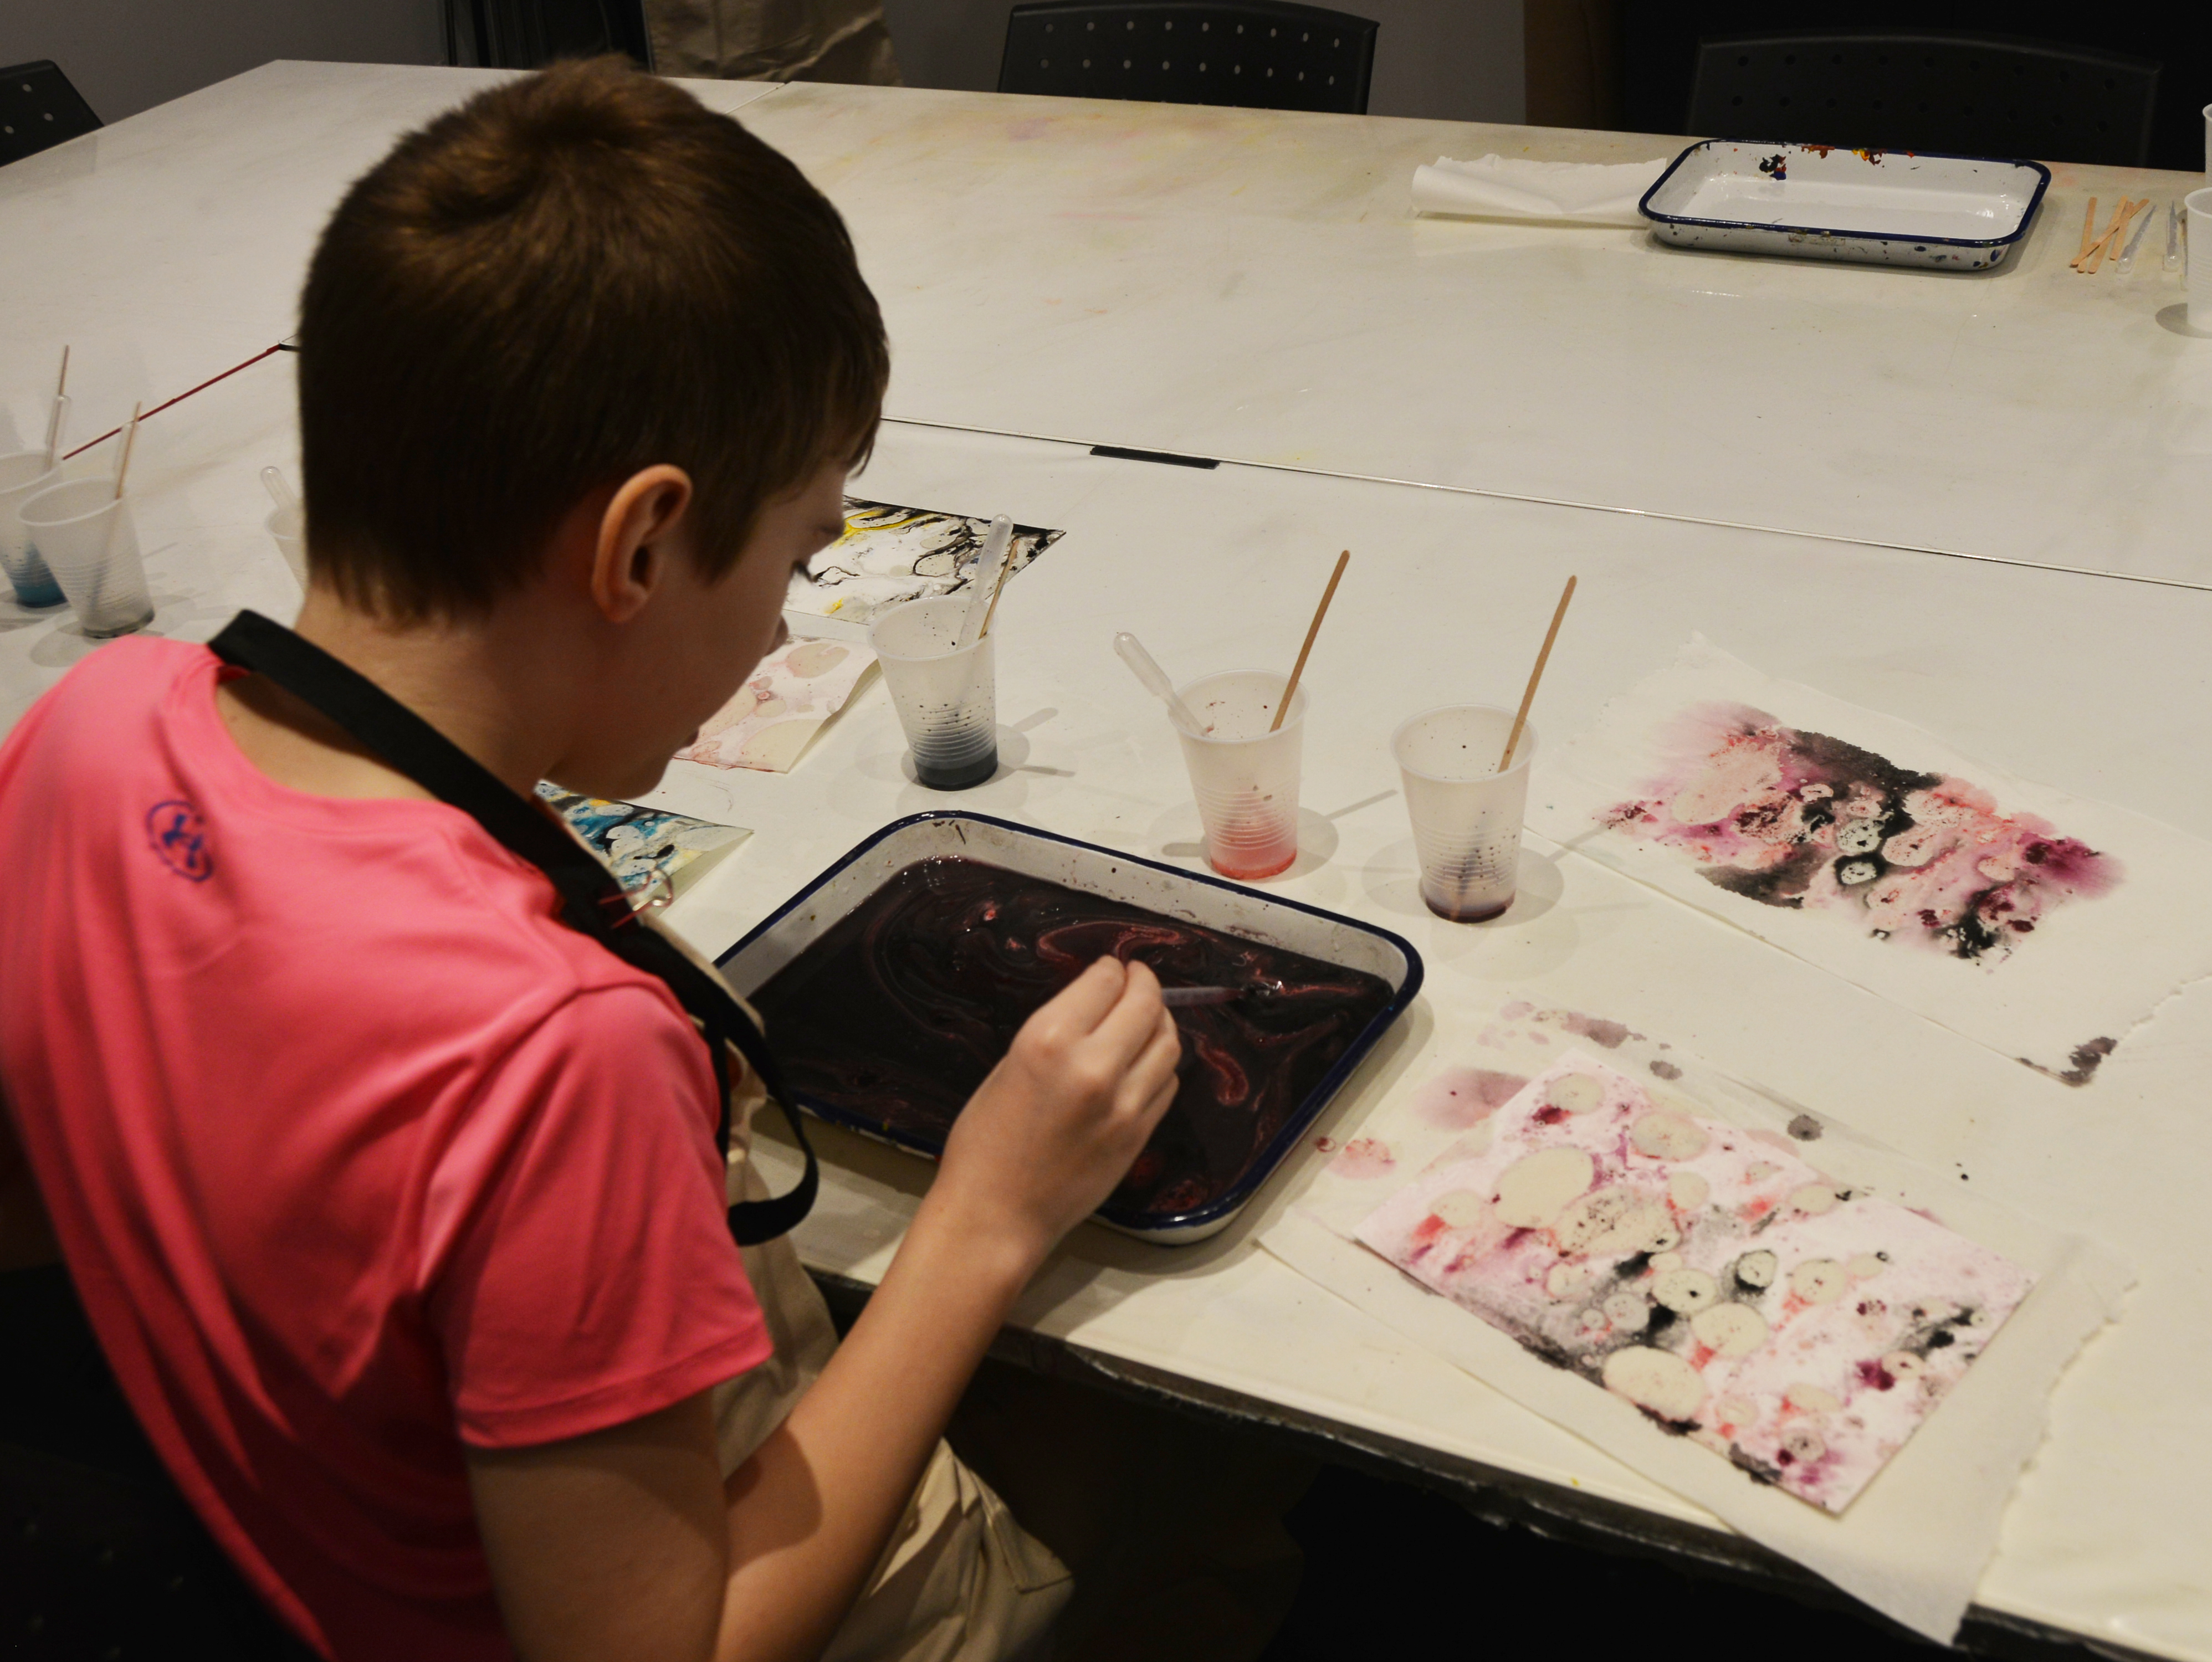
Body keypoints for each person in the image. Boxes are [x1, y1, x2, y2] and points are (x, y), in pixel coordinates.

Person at [0, 59, 1182, 1662]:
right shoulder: (552, 1055)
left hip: (282, 1575)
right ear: (636, 547)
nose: (781, 619)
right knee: (1220, 1458)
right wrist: (989, 1212)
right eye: (800, 551)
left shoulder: (92, 727)